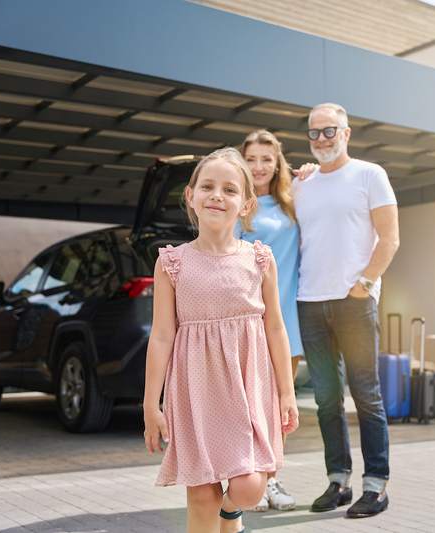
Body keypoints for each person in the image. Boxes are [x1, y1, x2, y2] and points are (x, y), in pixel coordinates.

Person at [143, 147, 299, 533]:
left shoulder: (259, 259)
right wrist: (151, 403)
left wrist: (286, 392)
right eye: (207, 186)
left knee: (249, 487)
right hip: (195, 390)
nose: (217, 195)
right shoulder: (172, 263)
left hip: (249, 388)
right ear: (191, 197)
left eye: (229, 190)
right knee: (201, 496)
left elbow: (276, 329)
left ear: (246, 205)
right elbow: (162, 336)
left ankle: (232, 516)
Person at [293, 102, 400, 518]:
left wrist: (365, 285)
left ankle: (376, 486)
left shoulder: (370, 175)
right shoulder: (302, 184)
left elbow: (389, 239)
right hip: (310, 302)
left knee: (366, 395)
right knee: (325, 400)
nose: (321, 139)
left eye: (329, 131)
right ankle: (338, 481)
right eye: (314, 133)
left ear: (347, 133)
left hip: (354, 303)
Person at [237, 129, 314, 512]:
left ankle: (272, 479)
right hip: (250, 320)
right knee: (250, 404)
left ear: (277, 162)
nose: (259, 167)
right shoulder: (237, 204)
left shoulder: (290, 201)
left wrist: (311, 173)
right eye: (251, 159)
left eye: (266, 159)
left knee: (281, 406)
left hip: (288, 319)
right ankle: (248, 480)